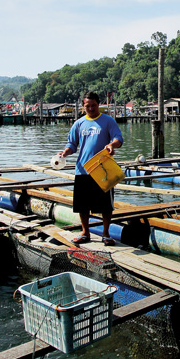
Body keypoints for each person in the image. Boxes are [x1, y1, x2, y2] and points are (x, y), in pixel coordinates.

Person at [59, 91, 123, 245]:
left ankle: (106, 234)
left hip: (103, 169)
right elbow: (72, 145)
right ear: (83, 106)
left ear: (98, 104)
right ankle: (85, 232)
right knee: (83, 205)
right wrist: (64, 153)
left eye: (94, 105)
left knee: (106, 206)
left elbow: (118, 139)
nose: (91, 109)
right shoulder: (79, 123)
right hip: (82, 169)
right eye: (88, 106)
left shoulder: (108, 121)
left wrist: (111, 145)